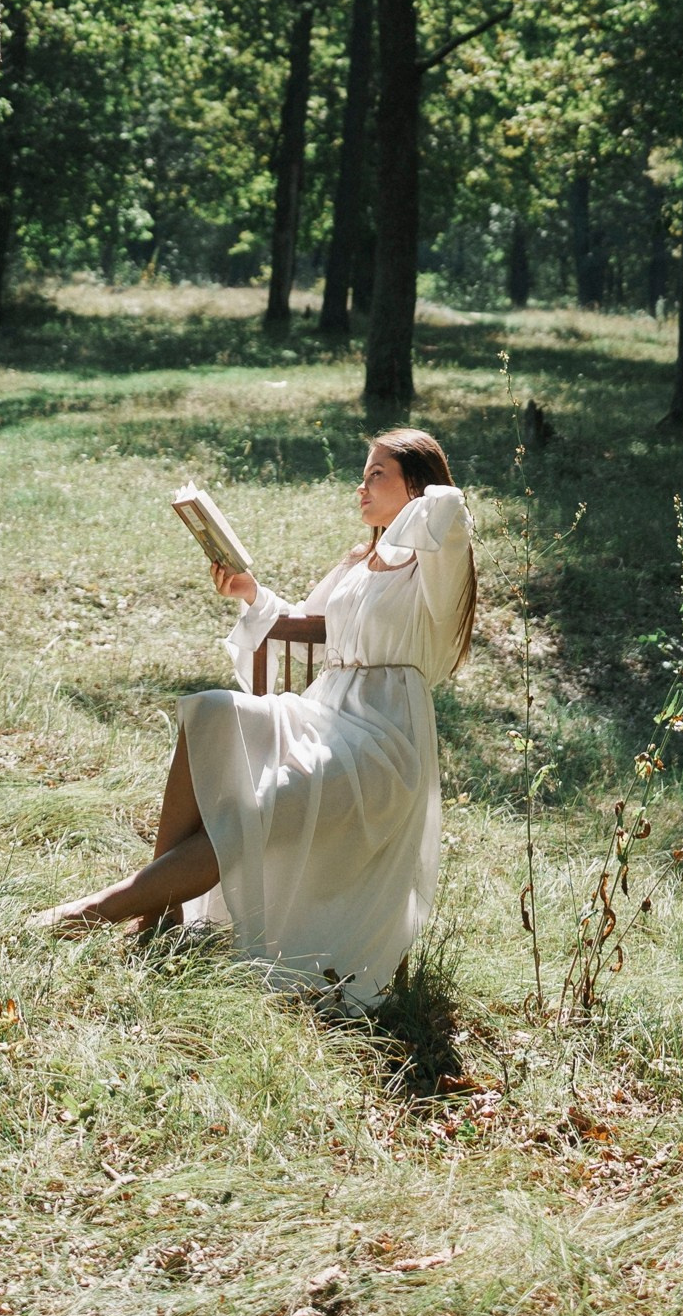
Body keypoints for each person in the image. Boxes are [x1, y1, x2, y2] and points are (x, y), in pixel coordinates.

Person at [35, 427, 475, 1005]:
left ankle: (97, 910)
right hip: (327, 713)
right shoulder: (359, 562)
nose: (361, 486)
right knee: (211, 712)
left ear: (415, 486)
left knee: (262, 806)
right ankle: (159, 908)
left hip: (384, 740)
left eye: (377, 474)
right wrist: (251, 594)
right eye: (363, 473)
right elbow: (304, 634)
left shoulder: (437, 562)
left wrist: (413, 511)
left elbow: (451, 509)